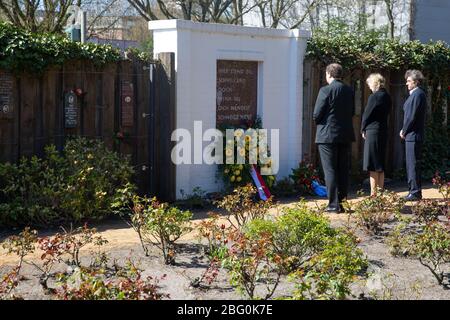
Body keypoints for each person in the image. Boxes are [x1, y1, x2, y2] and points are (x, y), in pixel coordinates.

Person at [313, 63, 355, 213]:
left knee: (330, 170)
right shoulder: (349, 90)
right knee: (342, 169)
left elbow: (317, 114)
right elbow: (352, 111)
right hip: (344, 134)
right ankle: (342, 202)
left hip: (327, 135)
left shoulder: (325, 90)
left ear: (328, 74)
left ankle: (332, 204)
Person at [361, 73, 391, 196]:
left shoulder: (374, 97)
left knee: (373, 165)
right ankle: (380, 194)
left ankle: (373, 195)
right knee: (380, 164)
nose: (368, 86)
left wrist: (362, 128)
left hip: (373, 131)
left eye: (369, 84)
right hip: (383, 130)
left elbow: (367, 115)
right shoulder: (387, 96)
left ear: (374, 83)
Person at [400, 70, 427, 201]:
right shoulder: (416, 94)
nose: (407, 83)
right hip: (412, 135)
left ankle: (415, 192)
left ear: (416, 82)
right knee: (412, 164)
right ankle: (414, 190)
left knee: (413, 164)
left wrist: (404, 130)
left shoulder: (417, 94)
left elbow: (411, 116)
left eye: (409, 81)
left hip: (413, 135)